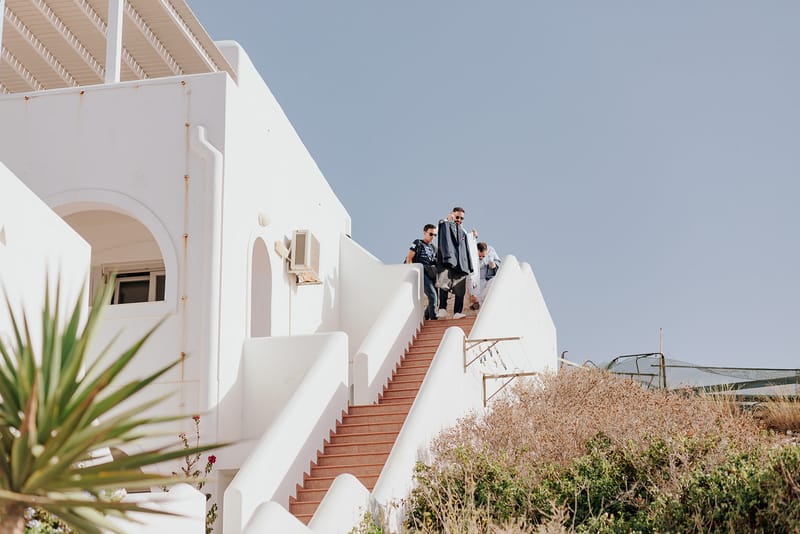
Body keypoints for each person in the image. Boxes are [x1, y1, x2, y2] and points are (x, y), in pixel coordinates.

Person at [436, 206, 473, 319]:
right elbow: (441, 232)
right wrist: (448, 221)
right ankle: (442, 308)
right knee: (444, 283)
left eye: (461, 218)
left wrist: (469, 266)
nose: (459, 220)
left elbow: (466, 249)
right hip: (447, 259)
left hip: (461, 263)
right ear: (452, 214)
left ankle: (457, 311)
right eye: (457, 217)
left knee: (460, 288)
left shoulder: (463, 232)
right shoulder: (444, 224)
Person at [406, 224, 439, 320]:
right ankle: (433, 320)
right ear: (425, 233)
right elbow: (409, 258)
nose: (433, 237)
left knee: (435, 298)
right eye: (431, 234)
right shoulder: (418, 243)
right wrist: (412, 273)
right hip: (421, 273)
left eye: (434, 235)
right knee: (433, 296)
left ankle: (425, 317)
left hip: (431, 274)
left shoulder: (433, 248)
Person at [470, 241, 501, 309]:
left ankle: (479, 303)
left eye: (483, 256)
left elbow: (498, 262)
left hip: (489, 277)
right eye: (479, 256)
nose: (481, 257)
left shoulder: (491, 251)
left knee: (492, 284)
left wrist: (494, 265)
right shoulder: (472, 255)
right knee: (479, 292)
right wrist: (473, 294)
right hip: (479, 278)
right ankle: (479, 303)